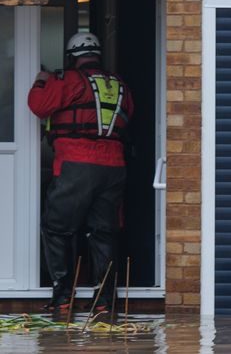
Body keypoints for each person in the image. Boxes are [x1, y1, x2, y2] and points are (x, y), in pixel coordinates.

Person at [28, 32, 134, 313]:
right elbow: (128, 115)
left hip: (76, 163)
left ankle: (63, 297)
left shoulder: (69, 80)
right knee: (104, 232)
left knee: (57, 228)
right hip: (114, 166)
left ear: (72, 56)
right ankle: (103, 301)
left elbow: (38, 106)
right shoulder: (119, 84)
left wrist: (41, 79)